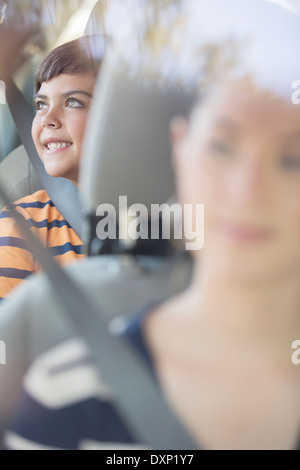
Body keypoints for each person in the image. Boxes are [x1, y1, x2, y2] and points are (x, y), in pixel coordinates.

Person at [0, 0, 300, 450]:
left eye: (291, 159)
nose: (249, 188)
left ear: (113, 122)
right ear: (182, 147)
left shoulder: (211, 238)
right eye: (40, 104)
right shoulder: (22, 227)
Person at [0, 35, 104, 300]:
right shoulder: (22, 225)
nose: (47, 118)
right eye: (41, 104)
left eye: (73, 102)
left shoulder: (176, 217)